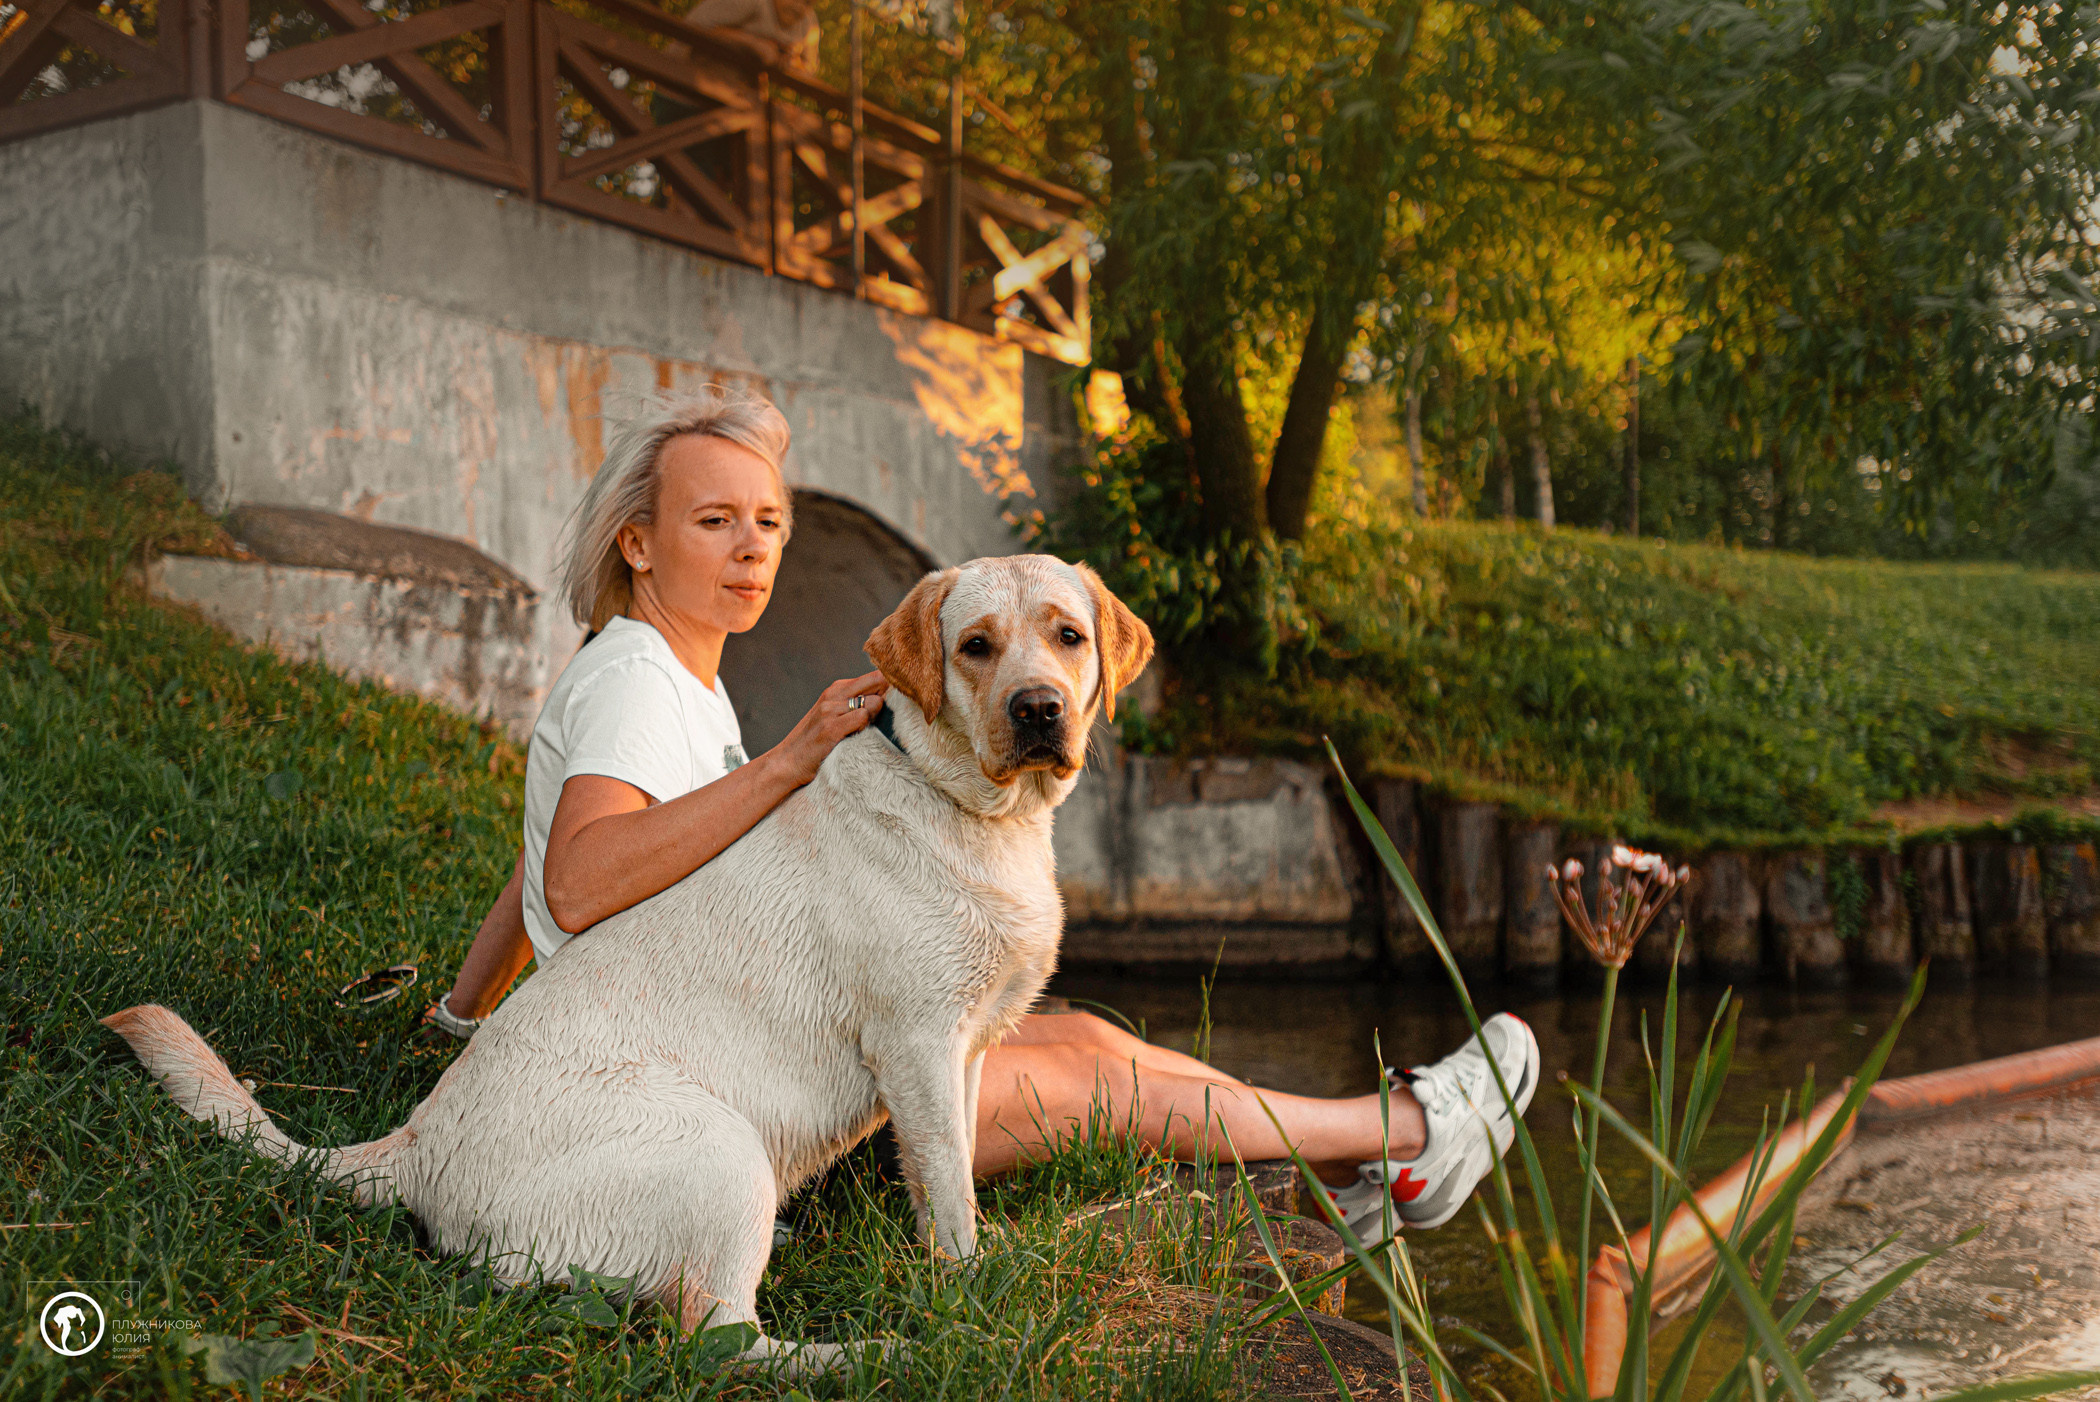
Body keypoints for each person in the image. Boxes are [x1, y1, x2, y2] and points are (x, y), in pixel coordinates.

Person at [423, 387, 1541, 1236]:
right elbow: (579, 875)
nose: (755, 544)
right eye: (715, 520)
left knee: (1091, 1037)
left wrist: (463, 1011)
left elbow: (543, 864)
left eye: (768, 518)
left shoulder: (678, 674)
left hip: (707, 1033)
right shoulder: (636, 678)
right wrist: (792, 762)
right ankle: (1404, 1135)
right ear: (638, 542)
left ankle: (1356, 1171)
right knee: (1099, 1077)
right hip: (736, 1084)